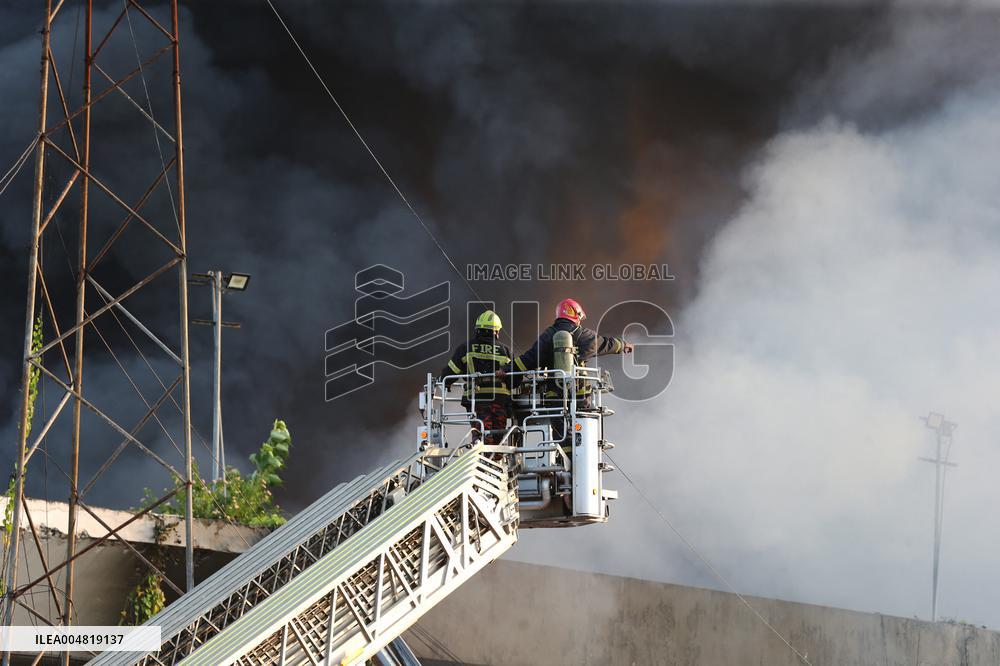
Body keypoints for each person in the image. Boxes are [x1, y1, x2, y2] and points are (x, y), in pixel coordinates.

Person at [441, 310, 514, 445]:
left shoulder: (466, 348)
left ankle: (483, 462)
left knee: (481, 439)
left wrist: (445, 382)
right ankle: (496, 461)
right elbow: (514, 379)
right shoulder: (505, 351)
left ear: (478, 329)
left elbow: (451, 372)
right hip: (500, 401)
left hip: (477, 401)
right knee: (499, 439)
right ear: (496, 331)